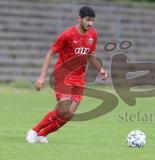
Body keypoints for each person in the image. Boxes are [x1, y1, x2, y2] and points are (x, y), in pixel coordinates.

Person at [26, 6, 107, 143]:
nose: (90, 23)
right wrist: (41, 77)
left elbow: (91, 56)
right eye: (87, 20)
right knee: (63, 109)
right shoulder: (67, 35)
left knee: (69, 115)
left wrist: (101, 69)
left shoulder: (93, 35)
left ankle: (43, 134)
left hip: (79, 79)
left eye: (92, 20)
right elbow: (50, 54)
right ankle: (34, 131)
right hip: (63, 76)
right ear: (80, 19)